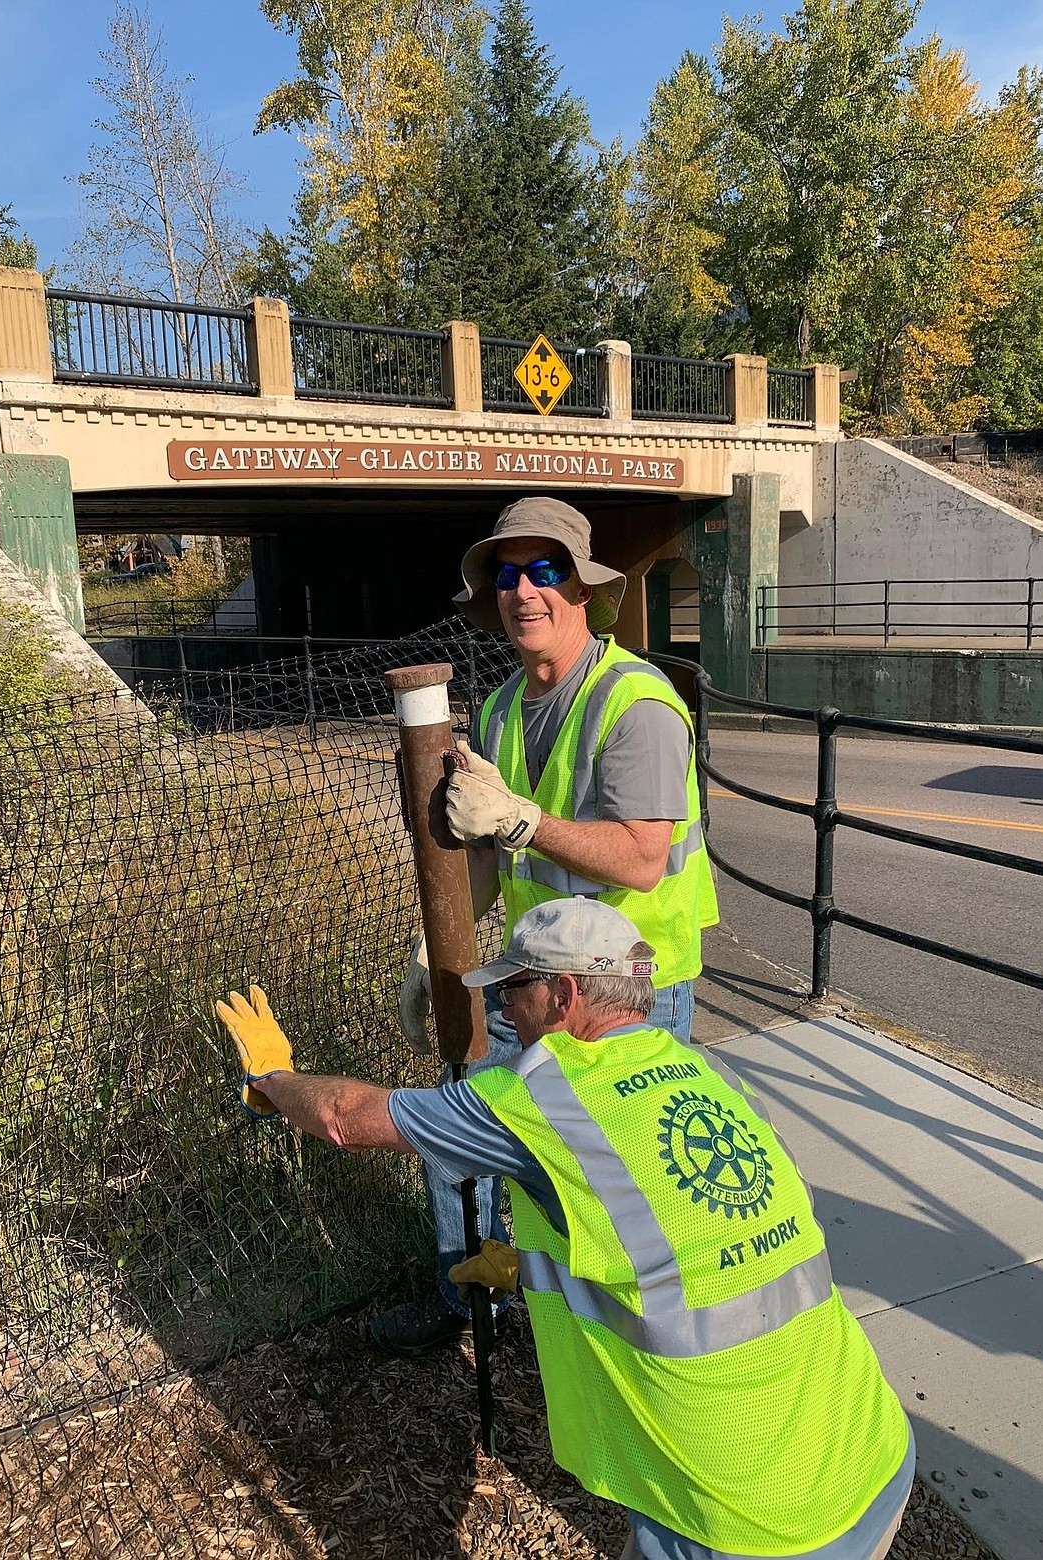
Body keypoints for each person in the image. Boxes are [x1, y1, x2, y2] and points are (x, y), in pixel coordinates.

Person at [214, 897, 914, 1560]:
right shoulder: (709, 1074)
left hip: (743, 1521)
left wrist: (273, 1078)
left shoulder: (541, 1098)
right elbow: (684, 1257)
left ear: (566, 996)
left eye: (513, 989)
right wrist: (523, 1267)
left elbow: (344, 1118)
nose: (502, 1008)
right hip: (868, 1450)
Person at [379, 495, 719, 1356]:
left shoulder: (635, 703)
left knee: (608, 1177)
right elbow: (494, 852)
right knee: (459, 1129)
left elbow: (643, 857)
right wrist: (438, 944)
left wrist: (521, 817)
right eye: (507, 573)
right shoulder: (496, 711)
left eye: (545, 570)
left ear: (583, 588)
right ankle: (476, 1305)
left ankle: (606, 1340)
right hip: (532, 974)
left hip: (629, 985)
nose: (524, 590)